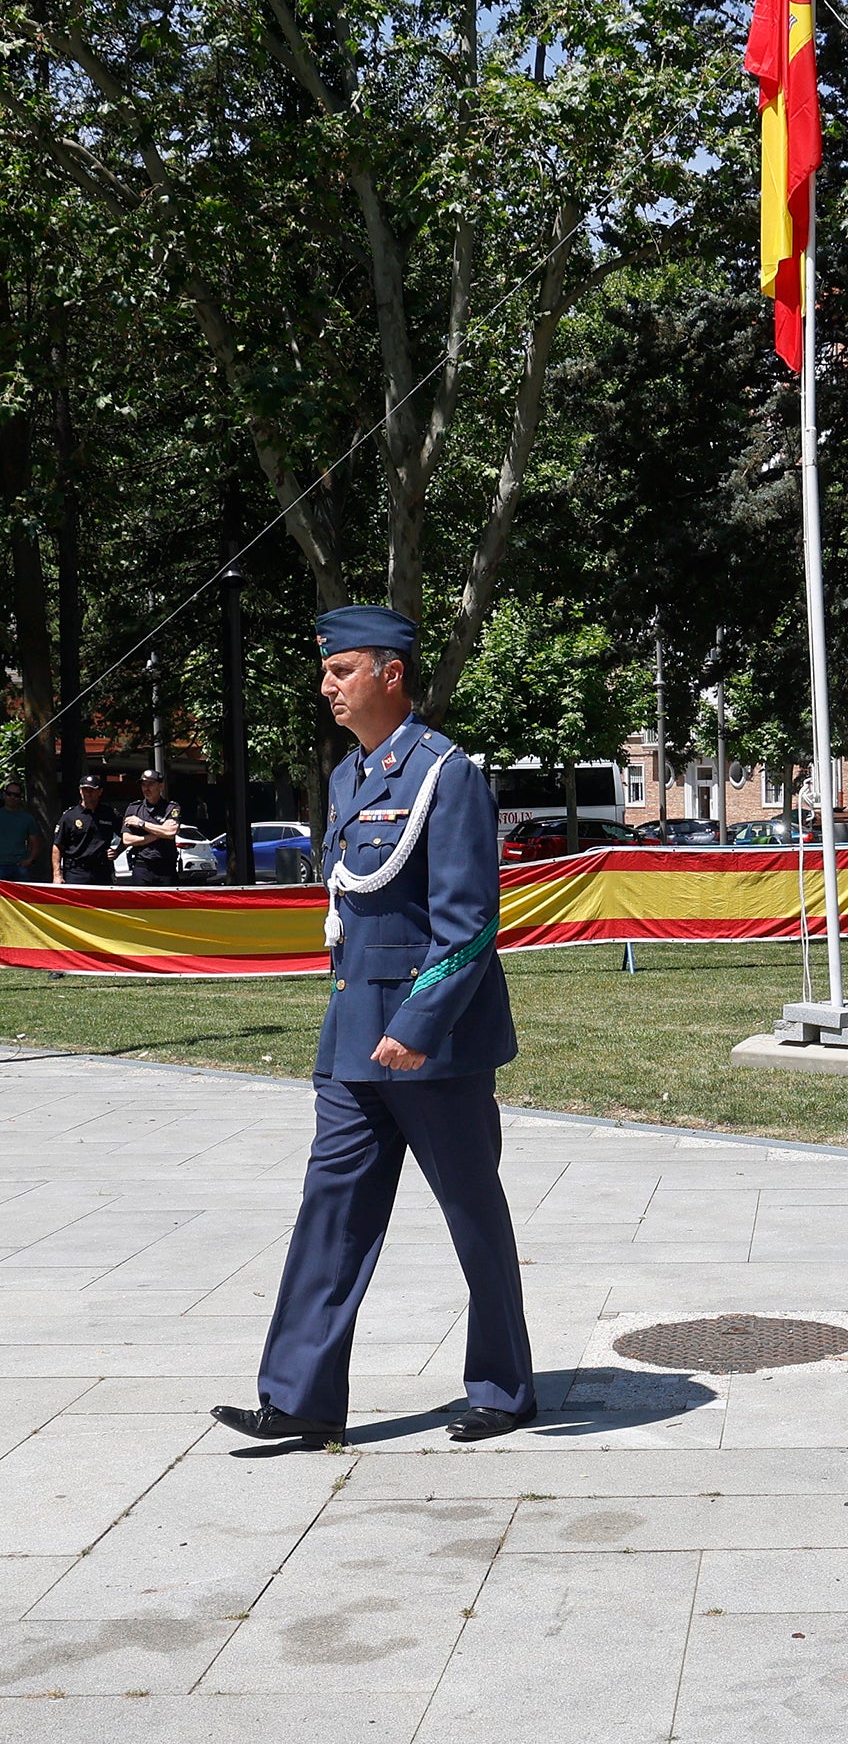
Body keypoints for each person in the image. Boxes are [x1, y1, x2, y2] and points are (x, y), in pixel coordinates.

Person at [212, 605, 535, 1449]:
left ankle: (504, 1389)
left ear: (392, 674)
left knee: (472, 1214)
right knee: (332, 1212)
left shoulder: (445, 773)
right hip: (355, 1034)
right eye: (326, 671)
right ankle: (301, 1397)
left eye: (342, 670)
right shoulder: (350, 777)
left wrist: (420, 1021)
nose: (327, 684)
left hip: (434, 1044)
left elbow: (465, 922)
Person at [54, 775, 118, 886]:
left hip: (102, 871)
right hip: (76, 872)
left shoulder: (110, 814)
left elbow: (126, 835)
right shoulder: (69, 816)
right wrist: (57, 874)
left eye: (92, 790)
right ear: (79, 790)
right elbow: (57, 846)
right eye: (84, 789)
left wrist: (118, 851)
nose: (87, 793)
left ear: (100, 791)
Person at [121, 769, 182, 885]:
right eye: (143, 784)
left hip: (166, 868)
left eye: (150, 784)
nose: (146, 788)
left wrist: (141, 824)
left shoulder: (171, 808)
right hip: (142, 867)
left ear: (161, 786)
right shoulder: (133, 808)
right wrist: (159, 833)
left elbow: (170, 832)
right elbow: (127, 839)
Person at [0, 783, 44, 882]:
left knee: (22, 897)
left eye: (16, 795)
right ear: (4, 795)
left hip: (20, 866)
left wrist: (29, 860)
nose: (12, 797)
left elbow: (35, 842)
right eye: (9, 794)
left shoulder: (27, 819)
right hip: (0, 865)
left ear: (20, 798)